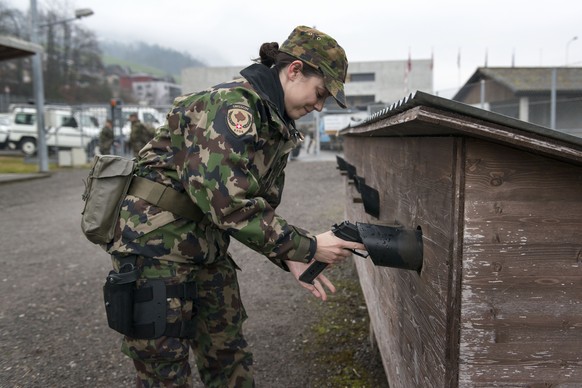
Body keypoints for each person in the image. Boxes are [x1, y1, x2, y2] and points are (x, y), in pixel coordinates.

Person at [104, 25, 365, 387]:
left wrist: (288, 255)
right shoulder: (231, 107)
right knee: (164, 368)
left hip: (206, 247)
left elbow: (260, 207)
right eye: (320, 92)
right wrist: (309, 246)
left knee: (229, 356)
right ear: (294, 70)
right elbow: (228, 203)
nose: (318, 106)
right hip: (154, 247)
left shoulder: (275, 124)